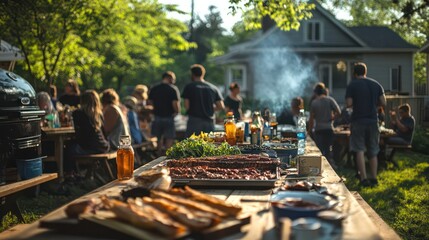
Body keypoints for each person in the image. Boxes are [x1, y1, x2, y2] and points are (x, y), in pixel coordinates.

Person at [345, 62, 386, 187]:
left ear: (354, 73)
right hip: (373, 121)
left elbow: (348, 104)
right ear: (365, 72)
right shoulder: (376, 84)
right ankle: (374, 178)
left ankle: (363, 179)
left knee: (359, 150)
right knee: (373, 150)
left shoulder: (352, 85)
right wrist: (373, 105)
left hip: (358, 121)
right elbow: (383, 102)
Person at [66, 90, 110, 179]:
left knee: (68, 148)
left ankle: (69, 174)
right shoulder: (99, 114)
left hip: (91, 147)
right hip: (103, 146)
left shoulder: (78, 113)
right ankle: (80, 175)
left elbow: (81, 137)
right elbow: (103, 134)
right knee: (71, 146)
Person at [182, 64, 224, 136]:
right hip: (209, 122)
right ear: (203, 74)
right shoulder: (213, 88)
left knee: (192, 145)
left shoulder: (189, 87)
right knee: (209, 145)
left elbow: (186, 106)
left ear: (193, 74)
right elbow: (221, 106)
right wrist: (210, 108)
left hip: (194, 121)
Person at [308, 83, 341, 166]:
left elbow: (311, 119)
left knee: (319, 150)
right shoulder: (330, 100)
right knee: (328, 149)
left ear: (315, 92)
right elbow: (339, 112)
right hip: (329, 128)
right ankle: (331, 165)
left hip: (318, 129)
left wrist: (309, 131)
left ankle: (320, 166)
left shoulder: (314, 103)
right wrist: (332, 118)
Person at [148, 71, 180, 153]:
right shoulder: (173, 89)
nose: (174, 81)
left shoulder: (154, 88)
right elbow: (175, 103)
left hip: (157, 116)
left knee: (158, 137)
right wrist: (177, 111)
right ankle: (166, 154)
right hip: (169, 117)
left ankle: (158, 155)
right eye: (173, 79)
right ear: (169, 78)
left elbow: (150, 102)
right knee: (169, 137)